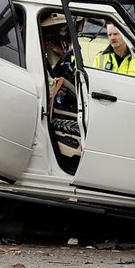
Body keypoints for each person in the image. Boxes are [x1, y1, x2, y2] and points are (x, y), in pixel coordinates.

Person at [40, 11, 82, 167]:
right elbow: (50, 87)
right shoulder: (33, 60)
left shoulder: (46, 62)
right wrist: (63, 86)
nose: (51, 46)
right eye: (48, 42)